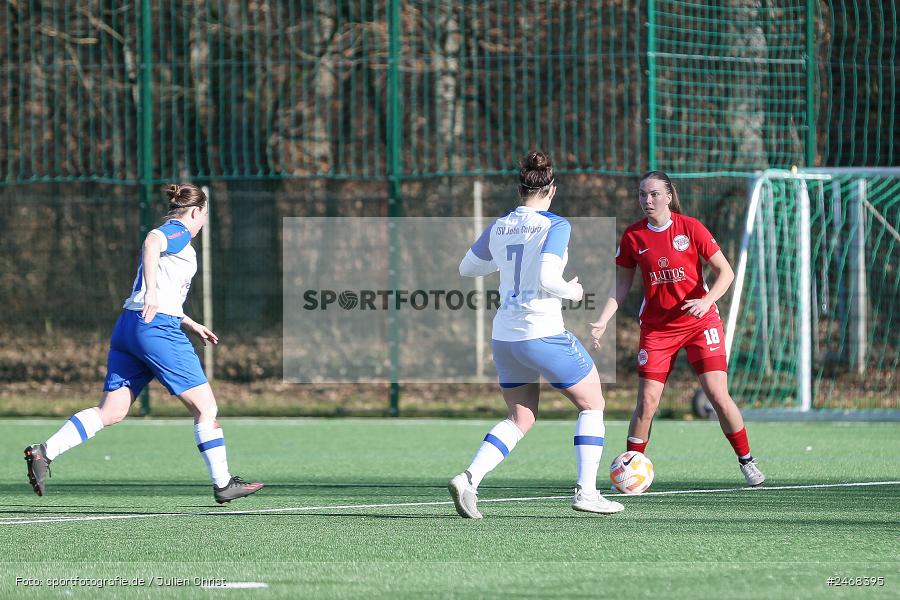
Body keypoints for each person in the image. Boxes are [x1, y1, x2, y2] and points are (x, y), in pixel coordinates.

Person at [24, 184, 263, 504]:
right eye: (205, 215)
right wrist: (152, 291)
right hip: (156, 329)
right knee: (207, 408)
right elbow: (152, 241)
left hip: (129, 327)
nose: (204, 222)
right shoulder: (177, 232)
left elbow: (162, 290)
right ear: (196, 212)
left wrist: (189, 322)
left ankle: (44, 452)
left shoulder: (178, 240)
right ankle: (223, 484)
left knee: (111, 411)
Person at [448, 151, 624, 518]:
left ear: (519, 188)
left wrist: (509, 257)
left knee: (521, 418)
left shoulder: (500, 225)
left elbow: (467, 268)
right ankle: (587, 493)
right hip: (541, 331)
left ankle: (469, 479)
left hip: (505, 337)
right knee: (593, 404)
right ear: (552, 190)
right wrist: (573, 292)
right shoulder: (556, 225)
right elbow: (547, 279)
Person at [590, 171, 765, 486]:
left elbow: (726, 272)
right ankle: (631, 469)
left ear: (669, 196)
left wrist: (707, 300)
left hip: (700, 323)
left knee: (717, 394)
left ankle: (747, 461)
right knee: (647, 402)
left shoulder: (690, 227)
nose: (648, 200)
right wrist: (603, 320)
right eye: (642, 194)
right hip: (658, 330)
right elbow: (621, 285)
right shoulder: (633, 237)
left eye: (654, 194)